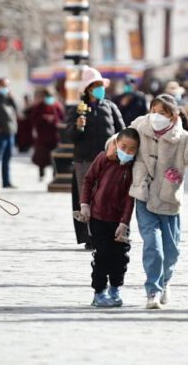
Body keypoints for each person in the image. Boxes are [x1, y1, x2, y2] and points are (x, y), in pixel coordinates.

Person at [120, 94, 188, 309]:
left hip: (169, 198)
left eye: (162, 113)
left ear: (173, 116)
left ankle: (165, 281)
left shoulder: (183, 138)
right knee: (153, 246)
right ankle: (153, 290)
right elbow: (120, 141)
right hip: (143, 196)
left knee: (171, 250)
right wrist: (113, 151)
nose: (156, 116)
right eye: (153, 111)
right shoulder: (139, 126)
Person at [78, 127, 139, 308]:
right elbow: (88, 180)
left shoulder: (133, 168)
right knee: (102, 256)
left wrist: (124, 222)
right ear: (115, 144)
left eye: (132, 149)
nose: (127, 152)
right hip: (98, 218)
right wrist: (85, 205)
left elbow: (130, 198)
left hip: (118, 222)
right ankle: (99, 292)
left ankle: (115, 289)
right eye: (123, 146)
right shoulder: (103, 158)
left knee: (120, 257)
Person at [67, 67, 125, 248]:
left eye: (102, 85)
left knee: (107, 196)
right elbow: (68, 136)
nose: (101, 89)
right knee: (86, 198)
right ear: (88, 89)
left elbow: (122, 131)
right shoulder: (78, 110)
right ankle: (89, 236)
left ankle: (106, 233)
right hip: (85, 160)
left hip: (109, 160)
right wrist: (78, 126)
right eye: (97, 86)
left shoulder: (110, 106)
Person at [0, 77, 18, 189]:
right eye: (4, 85)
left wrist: (12, 99)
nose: (6, 88)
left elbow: (16, 110)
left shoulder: (8, 98)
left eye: (7, 85)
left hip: (10, 131)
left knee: (8, 157)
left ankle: (7, 181)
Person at [31, 88, 65, 181]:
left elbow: (62, 119)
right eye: (47, 96)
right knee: (42, 156)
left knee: (55, 156)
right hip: (43, 136)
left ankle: (55, 173)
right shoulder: (39, 106)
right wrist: (44, 118)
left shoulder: (57, 106)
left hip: (54, 136)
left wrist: (54, 120)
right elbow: (34, 119)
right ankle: (41, 172)